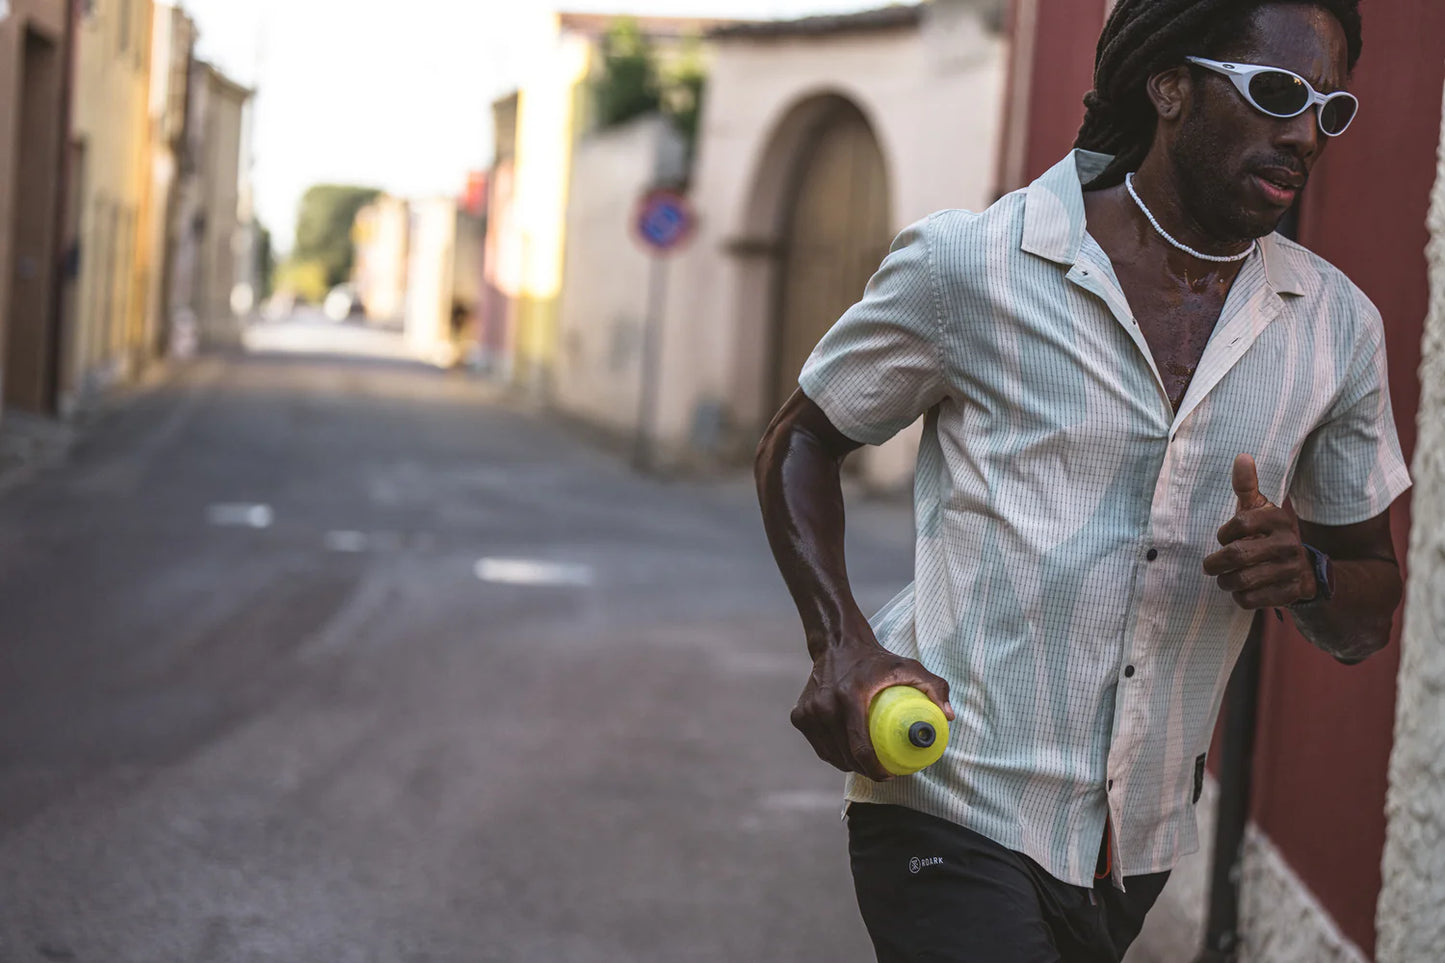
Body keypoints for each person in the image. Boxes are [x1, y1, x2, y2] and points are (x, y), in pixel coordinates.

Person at [753, 2, 1410, 960]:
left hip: (1130, 848)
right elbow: (799, 440)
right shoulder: (972, 265)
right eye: (1274, 92)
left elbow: (1367, 606)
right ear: (1169, 85)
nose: (1304, 133)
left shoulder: (1336, 331)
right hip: (947, 797)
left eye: (1329, 108)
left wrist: (1304, 572)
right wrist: (840, 643)